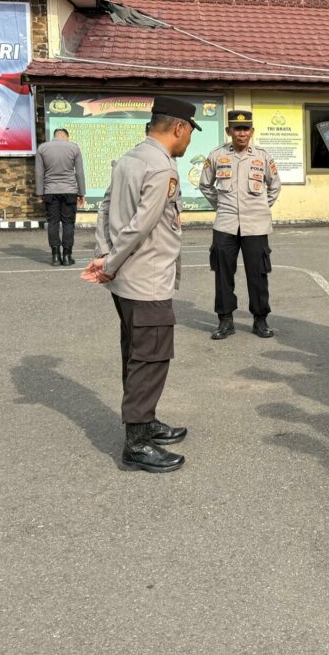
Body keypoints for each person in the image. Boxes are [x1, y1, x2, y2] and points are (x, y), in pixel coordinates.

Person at [83, 96, 197, 473]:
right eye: (189, 133)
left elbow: (104, 209)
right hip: (147, 280)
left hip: (126, 281)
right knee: (151, 359)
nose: (189, 141)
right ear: (178, 128)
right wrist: (109, 264)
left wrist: (104, 255)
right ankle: (136, 443)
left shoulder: (130, 158)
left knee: (136, 353)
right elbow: (141, 226)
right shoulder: (161, 166)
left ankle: (145, 422)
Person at [198, 110, 282, 340]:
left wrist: (261, 207)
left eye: (246, 129)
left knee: (258, 273)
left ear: (252, 132)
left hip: (256, 225)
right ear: (229, 131)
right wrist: (221, 205)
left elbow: (275, 186)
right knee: (223, 273)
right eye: (237, 129)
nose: (241, 133)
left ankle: (260, 319)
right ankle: (225, 320)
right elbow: (205, 184)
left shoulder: (263, 157)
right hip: (225, 225)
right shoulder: (217, 155)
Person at [36, 128, 87, 265]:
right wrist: (81, 193)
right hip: (69, 191)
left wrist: (40, 194)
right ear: (66, 136)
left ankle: (55, 256)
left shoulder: (42, 148)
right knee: (68, 223)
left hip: (50, 191)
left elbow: (39, 173)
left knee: (52, 223)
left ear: (55, 136)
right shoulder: (74, 148)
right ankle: (67, 256)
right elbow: (79, 173)